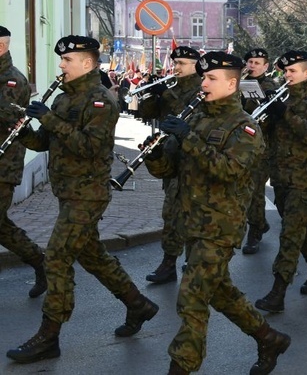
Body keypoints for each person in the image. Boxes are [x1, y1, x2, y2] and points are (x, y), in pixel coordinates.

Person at [7, 36, 159, 364]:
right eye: (61, 61)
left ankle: (49, 336)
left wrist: (49, 120)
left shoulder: (101, 101)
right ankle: (138, 304)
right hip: (68, 191)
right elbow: (42, 143)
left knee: (58, 257)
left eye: (67, 61)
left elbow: (90, 147)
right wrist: (22, 130)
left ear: (86, 63)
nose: (61, 66)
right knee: (93, 257)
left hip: (88, 194)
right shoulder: (64, 100)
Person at [144, 51, 290, 375]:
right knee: (221, 293)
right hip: (190, 223)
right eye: (203, 77)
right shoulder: (194, 118)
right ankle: (269, 338)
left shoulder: (246, 127)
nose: (204, 83)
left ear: (232, 83)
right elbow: (171, 168)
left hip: (219, 228)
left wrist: (188, 139)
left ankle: (180, 368)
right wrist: (155, 154)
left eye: (211, 79)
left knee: (192, 298)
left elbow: (228, 170)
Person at [255, 50, 307, 313]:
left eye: (292, 71)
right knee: (297, 229)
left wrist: (284, 113)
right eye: (285, 71)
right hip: (280, 176)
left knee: (289, 234)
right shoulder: (281, 96)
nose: (286, 75)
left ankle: (278, 292)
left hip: (304, 179)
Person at [140, 46, 202, 284]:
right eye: (175, 63)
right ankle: (168, 263)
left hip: (192, 160)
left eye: (182, 64)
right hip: (170, 159)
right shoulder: (172, 89)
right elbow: (148, 114)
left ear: (196, 65)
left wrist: (166, 93)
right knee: (171, 215)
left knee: (191, 215)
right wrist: (151, 94)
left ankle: (190, 261)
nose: (176, 68)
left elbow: (185, 115)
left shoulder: (202, 89)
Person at [0, 25, 47, 298]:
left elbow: (7, 116)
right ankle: (40, 262)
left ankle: (40, 263)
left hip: (4, 164)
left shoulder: (13, 81)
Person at [240, 47, 278, 255]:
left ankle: (254, 231)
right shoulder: (240, 83)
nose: (252, 66)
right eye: (250, 62)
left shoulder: (271, 86)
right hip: (242, 145)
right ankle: (260, 223)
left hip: (263, 148)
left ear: (266, 66)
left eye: (257, 63)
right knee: (247, 189)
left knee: (254, 191)